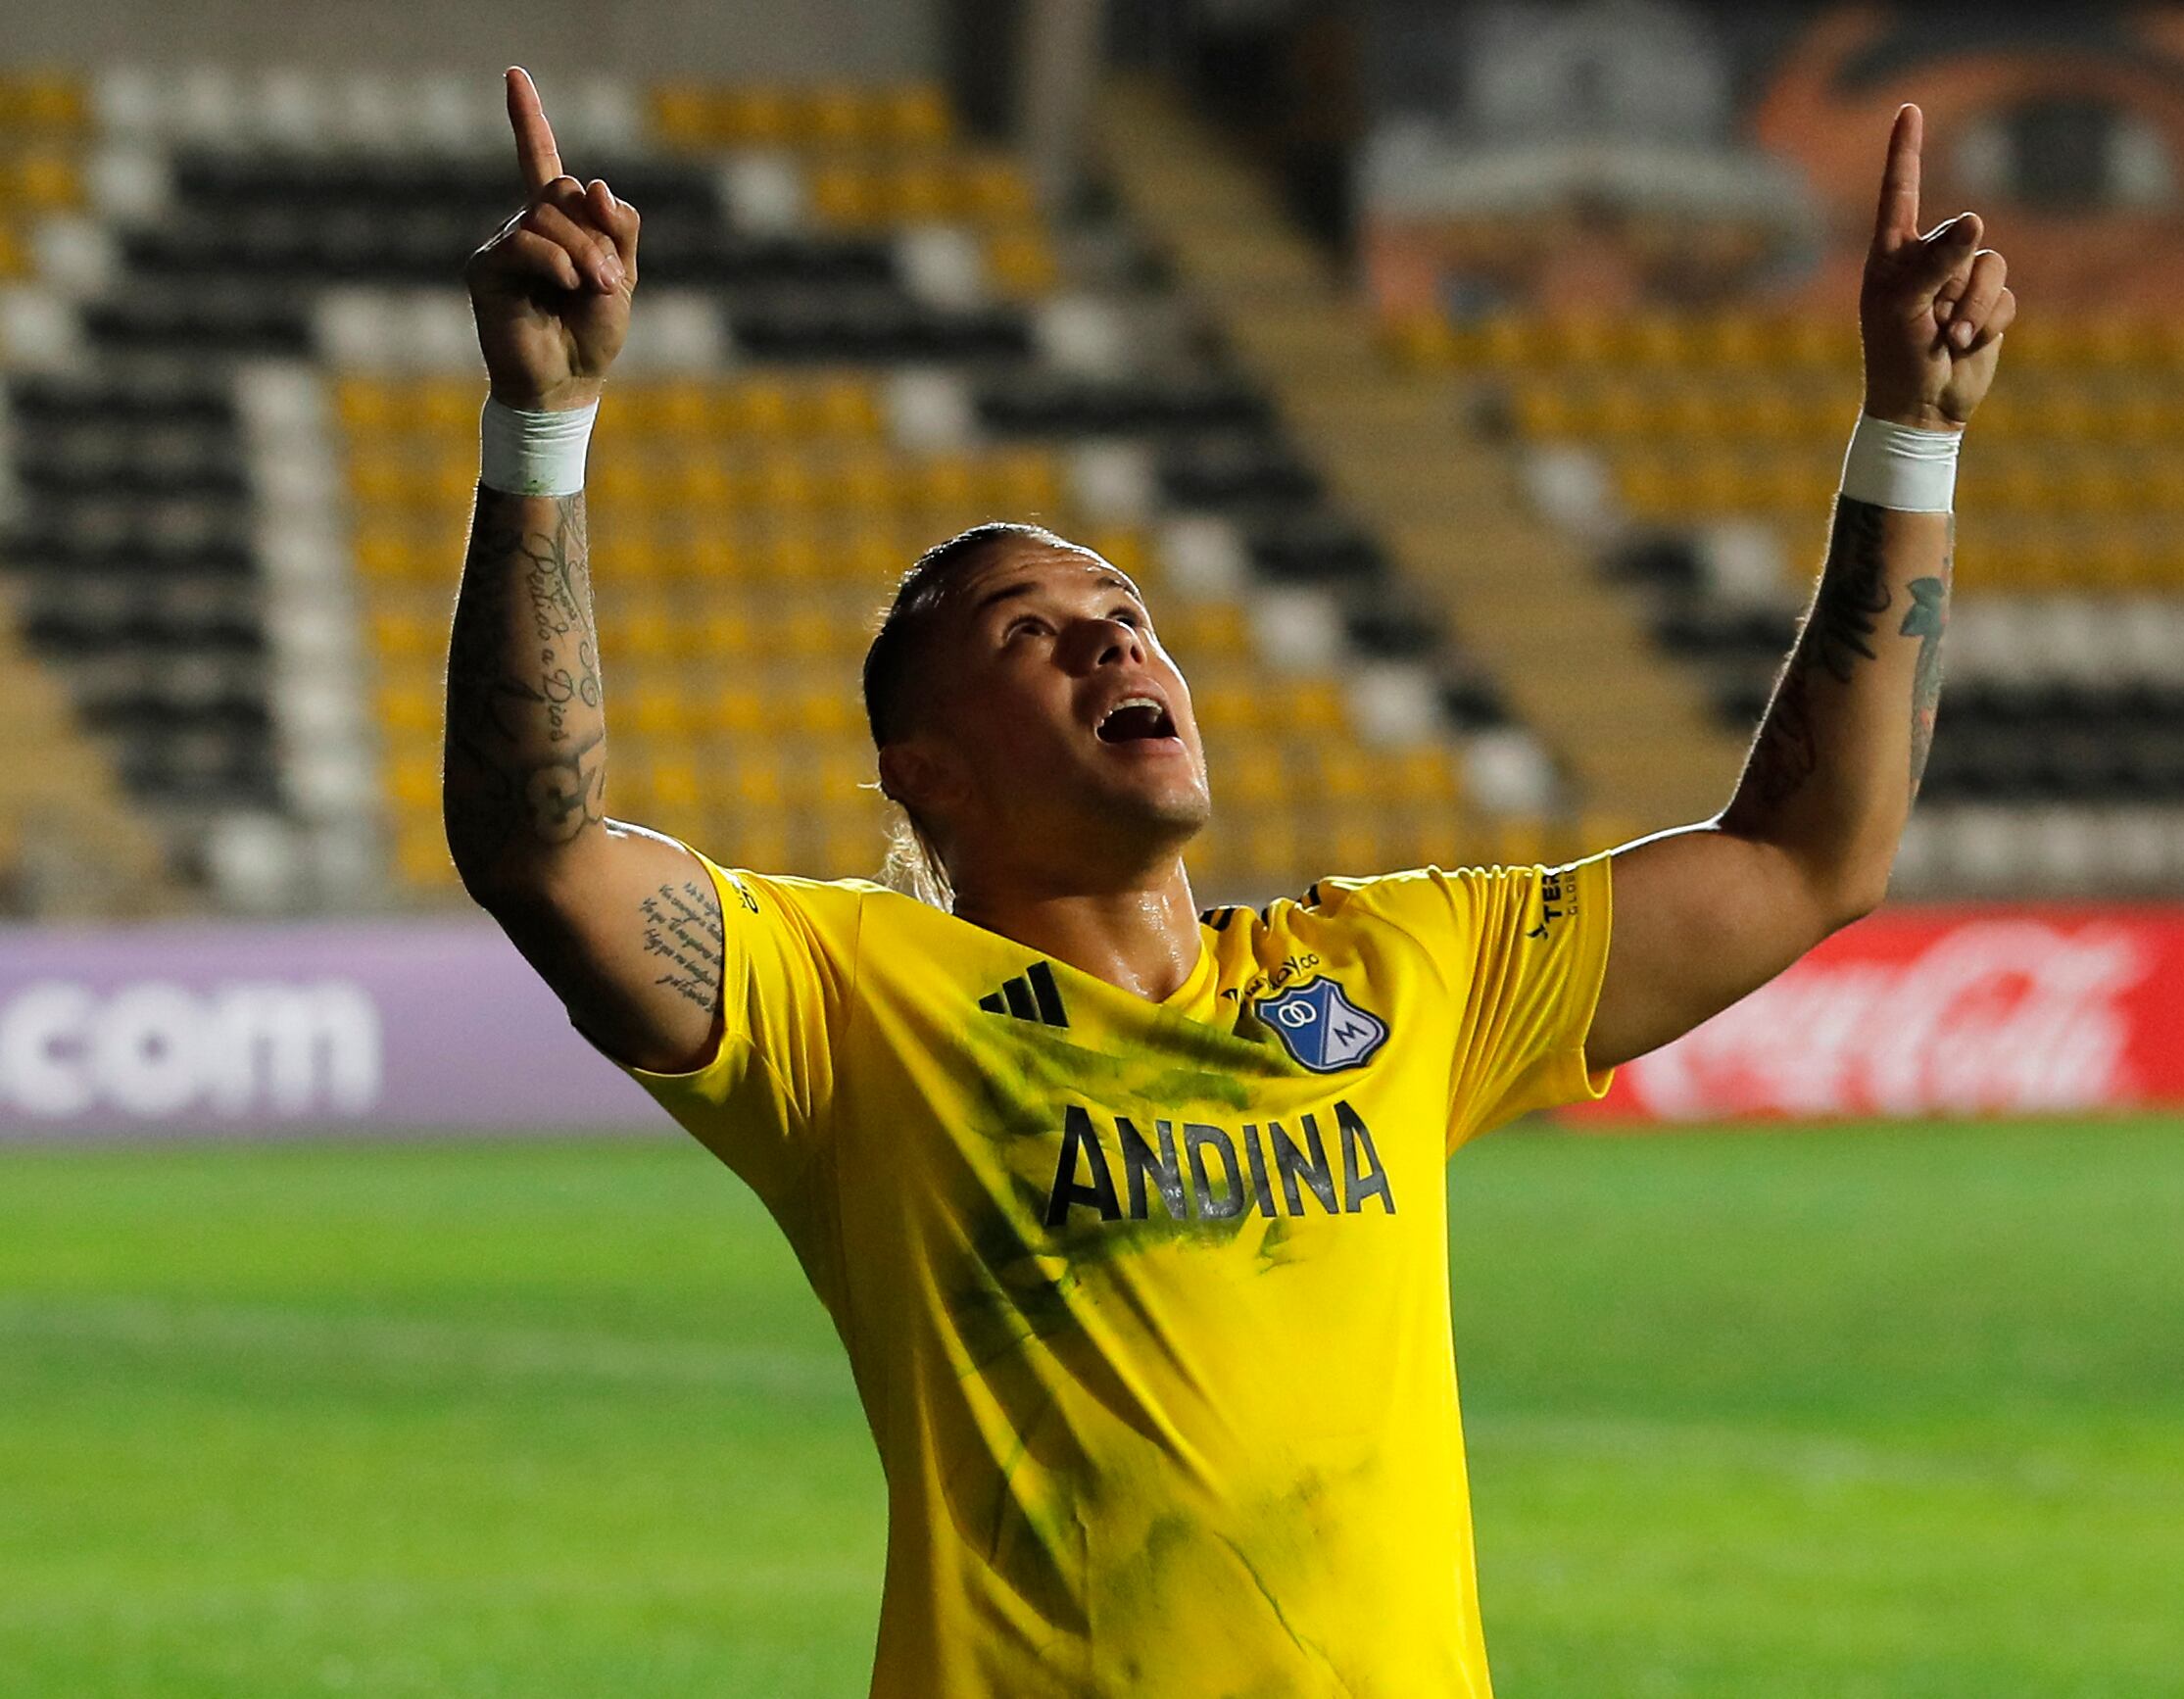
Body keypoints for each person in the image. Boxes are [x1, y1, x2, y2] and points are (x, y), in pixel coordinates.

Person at [447, 70, 2012, 1696]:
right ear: (928, 771)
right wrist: (543, 424)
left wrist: (1911, 435)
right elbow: (541, 847)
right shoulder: (851, 1008)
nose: (1113, 635)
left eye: (1123, 607)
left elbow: (1804, 855)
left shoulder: (1410, 963)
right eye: (1028, 631)